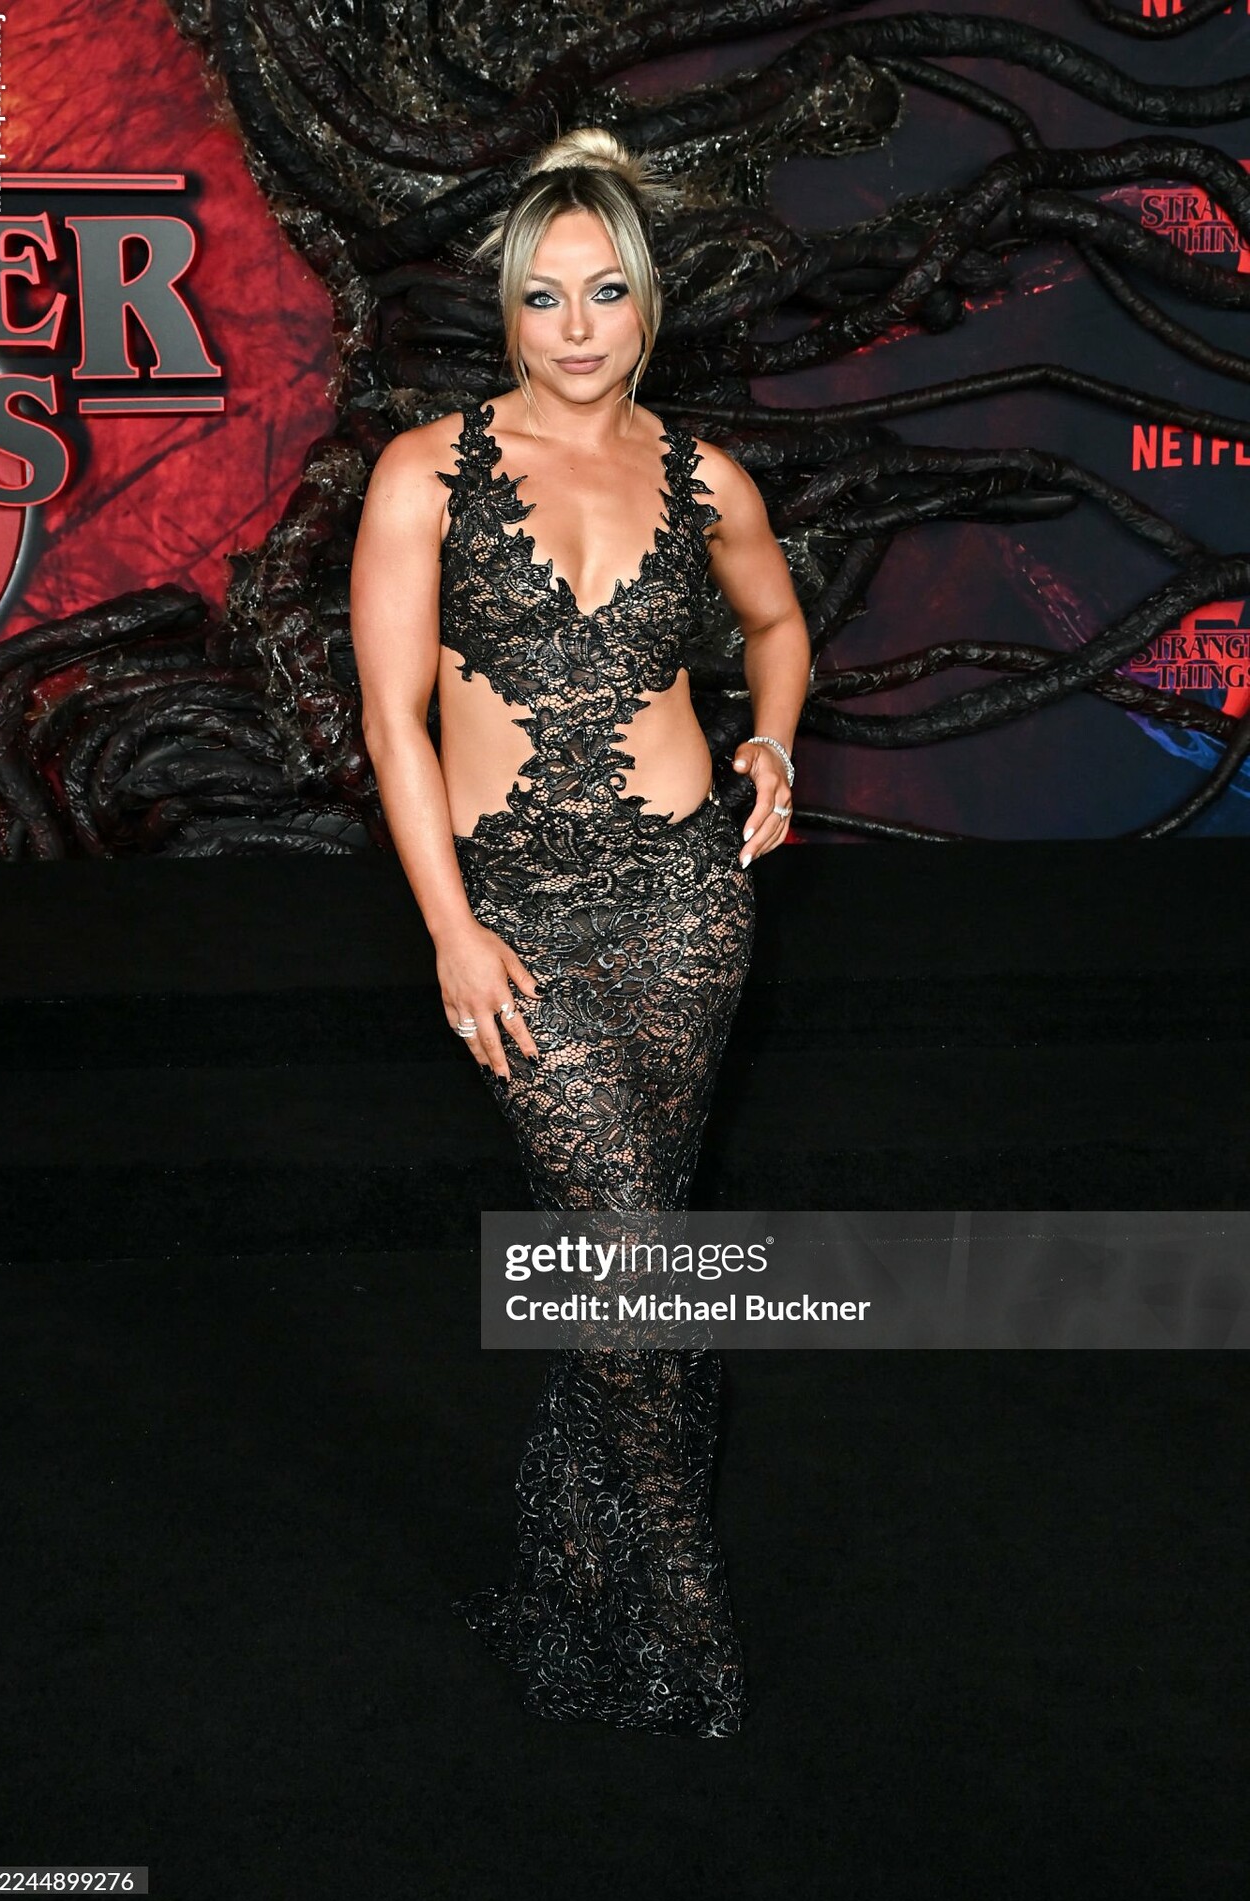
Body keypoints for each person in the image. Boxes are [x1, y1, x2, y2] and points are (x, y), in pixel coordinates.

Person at [350, 125, 811, 1738]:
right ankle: (691, 1622)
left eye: (606, 291)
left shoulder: (708, 479)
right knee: (627, 1261)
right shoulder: (424, 472)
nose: (577, 326)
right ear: (507, 310)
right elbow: (394, 723)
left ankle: (580, 1559)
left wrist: (775, 741)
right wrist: (449, 930)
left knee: (635, 1256)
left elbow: (776, 624)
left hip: (687, 907)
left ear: (648, 302)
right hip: (518, 923)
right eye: (544, 296)